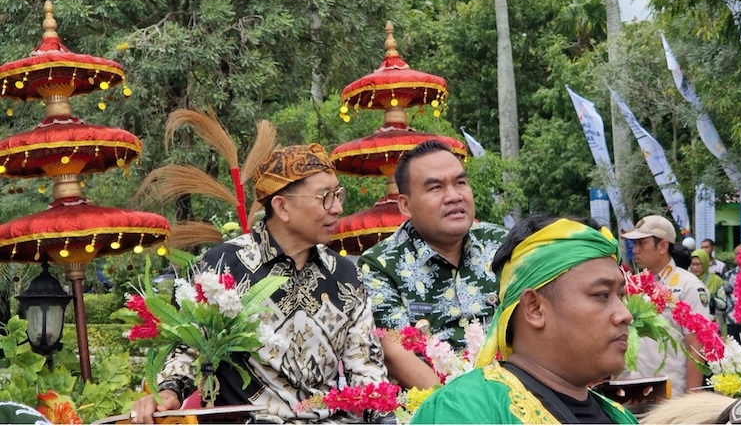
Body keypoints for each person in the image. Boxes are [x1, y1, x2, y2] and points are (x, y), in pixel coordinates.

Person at [130, 144, 388, 424]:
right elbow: (185, 347)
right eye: (325, 197)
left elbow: (366, 369)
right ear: (282, 206)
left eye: (338, 195)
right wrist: (168, 391)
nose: (337, 208)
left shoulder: (346, 275)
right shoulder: (220, 267)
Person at [411, 216, 638, 424]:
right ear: (534, 308)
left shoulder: (622, 418)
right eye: (602, 295)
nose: (625, 315)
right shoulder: (462, 410)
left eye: (620, 296)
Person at [358, 140, 508, 389]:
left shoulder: (502, 244)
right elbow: (396, 351)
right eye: (436, 188)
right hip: (436, 401)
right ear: (405, 205)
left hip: (514, 393)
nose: (454, 196)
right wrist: (466, 406)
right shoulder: (379, 266)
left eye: (460, 183)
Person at [620, 215, 710, 394]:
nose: (635, 250)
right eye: (634, 244)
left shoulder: (688, 286)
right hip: (629, 392)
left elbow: (696, 347)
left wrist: (692, 401)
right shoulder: (632, 285)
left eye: (641, 243)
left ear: (662, 246)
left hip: (669, 395)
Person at [689, 249, 727, 323]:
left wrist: (710, 298)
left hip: (710, 321)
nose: (695, 267)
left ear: (705, 264)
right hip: (690, 321)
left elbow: (723, 304)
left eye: (698, 264)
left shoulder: (716, 280)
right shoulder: (686, 280)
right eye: (692, 264)